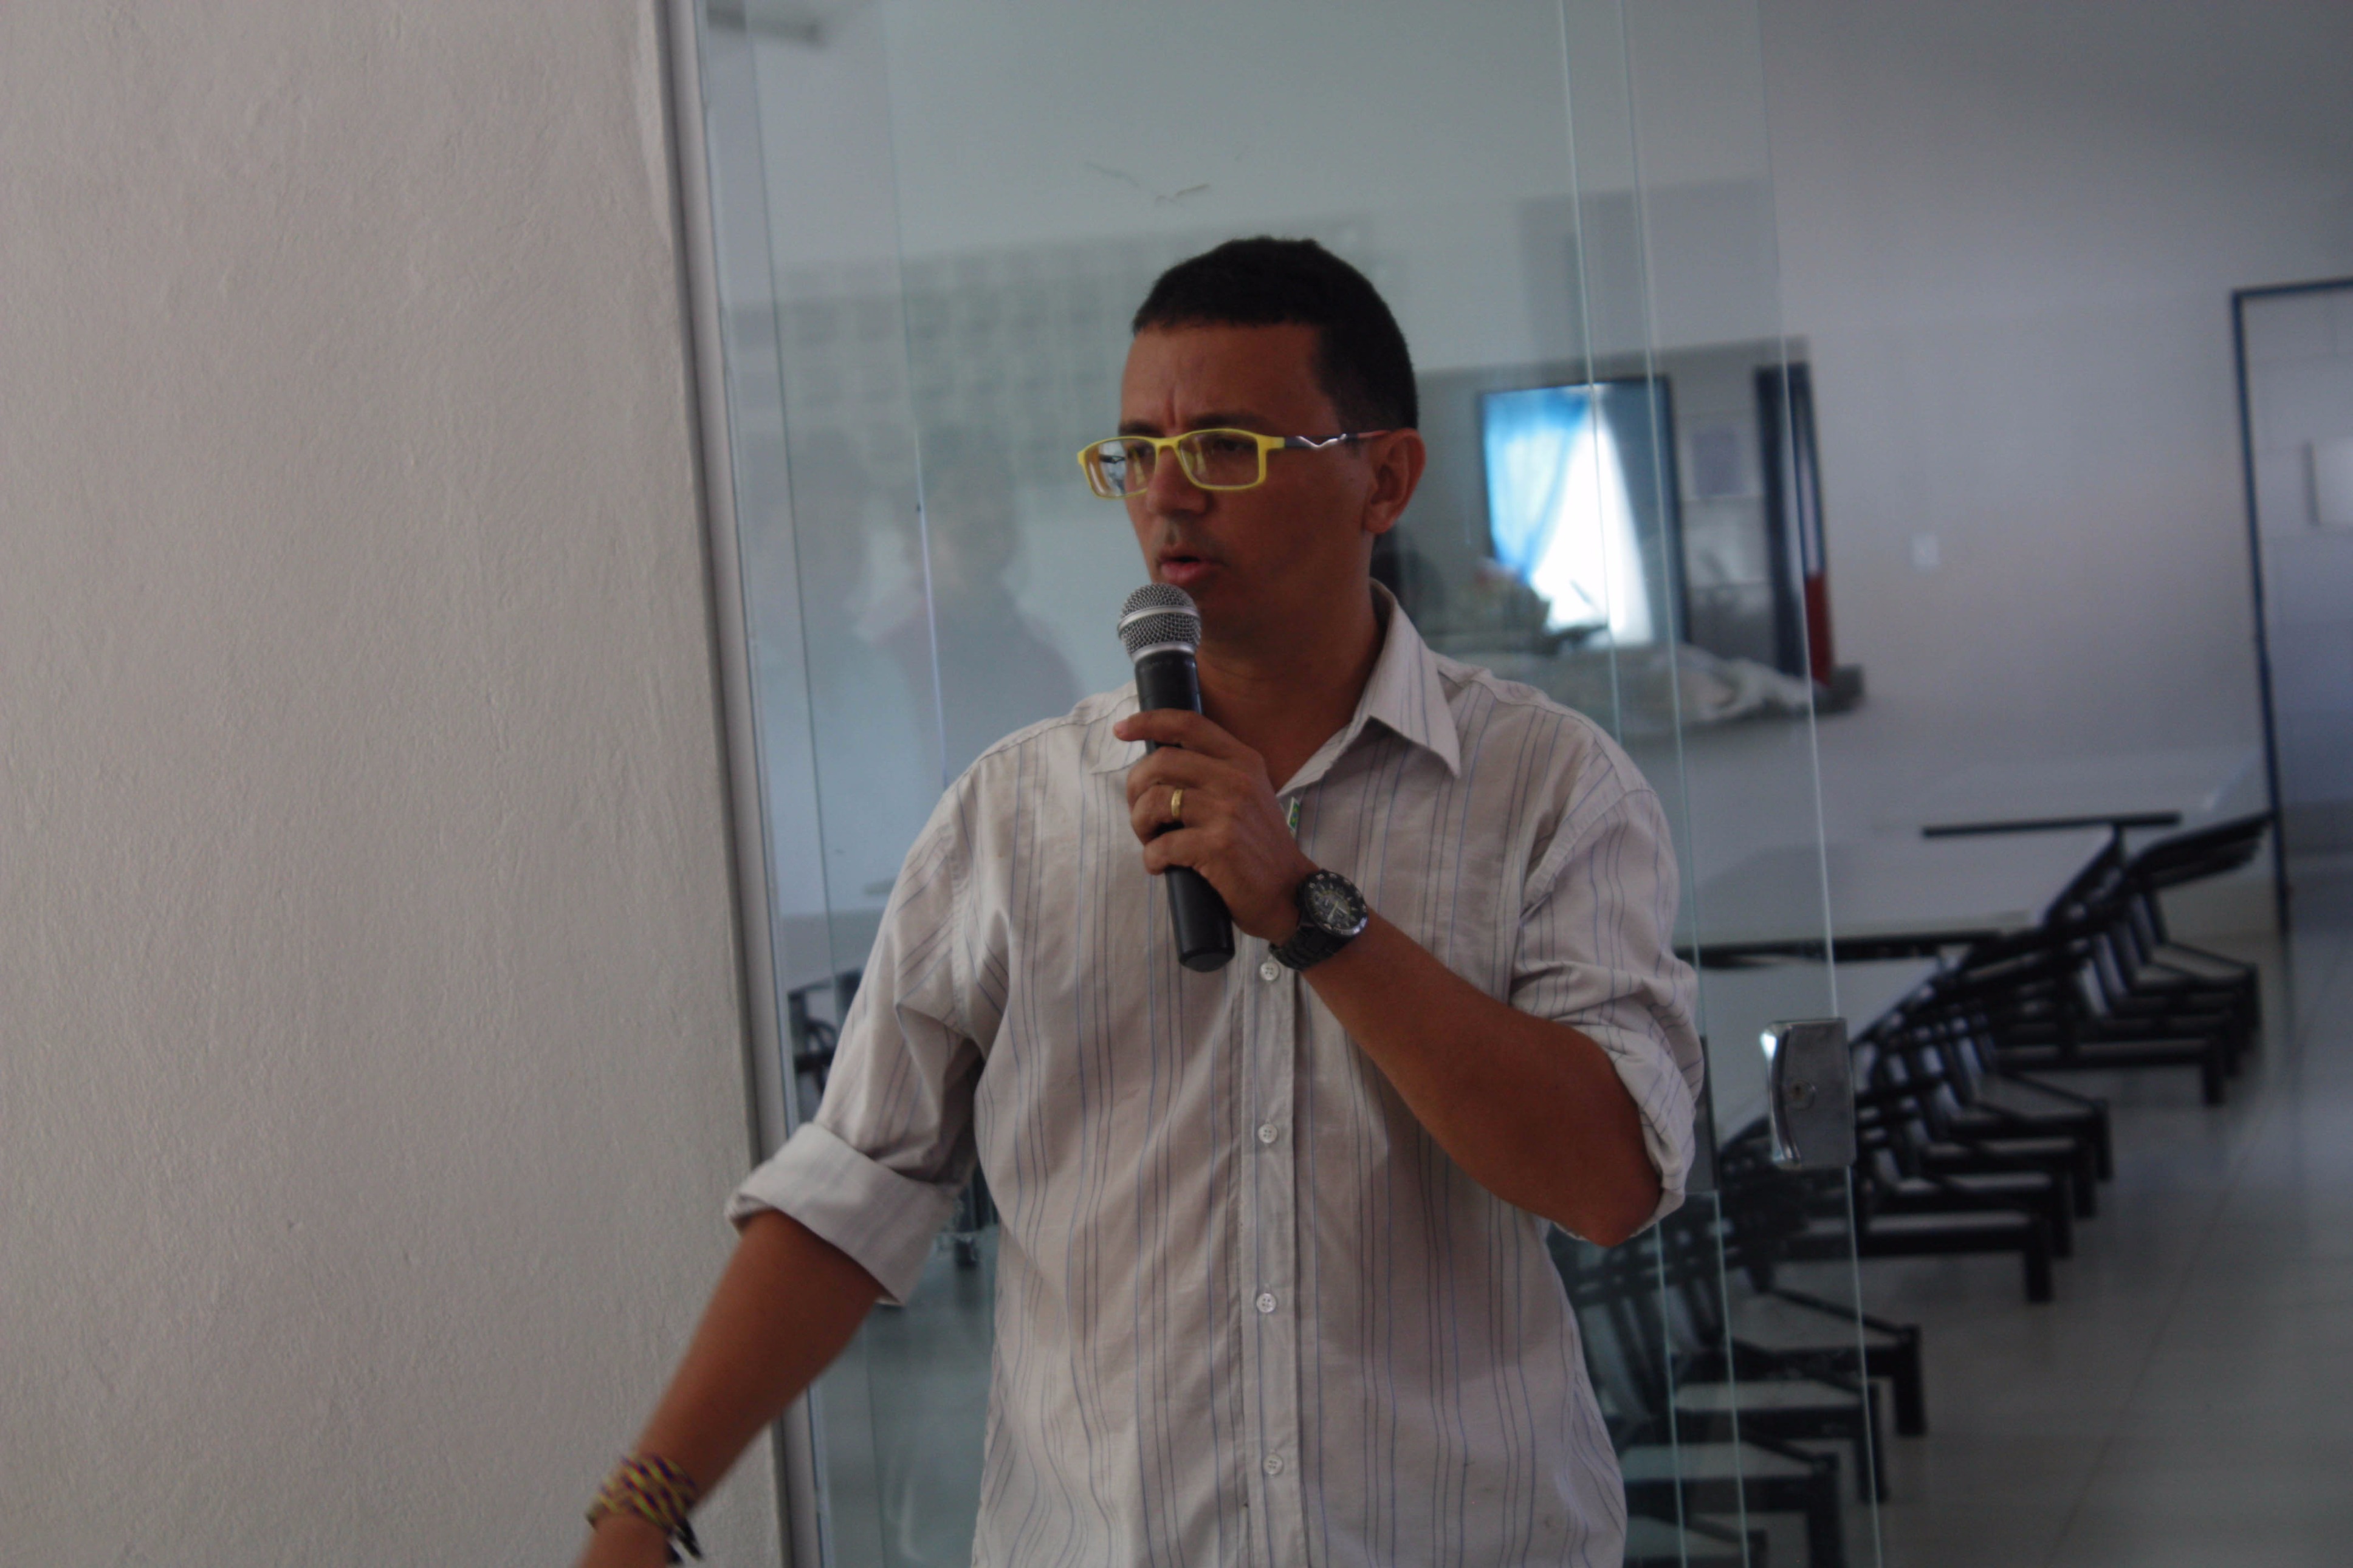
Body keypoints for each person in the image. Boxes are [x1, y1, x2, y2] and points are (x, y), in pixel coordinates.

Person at [578, 236, 1701, 1567]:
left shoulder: (1549, 788)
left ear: (1384, 477)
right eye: (1137, 453)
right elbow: (854, 1189)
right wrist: (647, 1500)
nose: (1168, 495)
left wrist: (1305, 908)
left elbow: (1609, 1180)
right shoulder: (1016, 814)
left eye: (1227, 448)